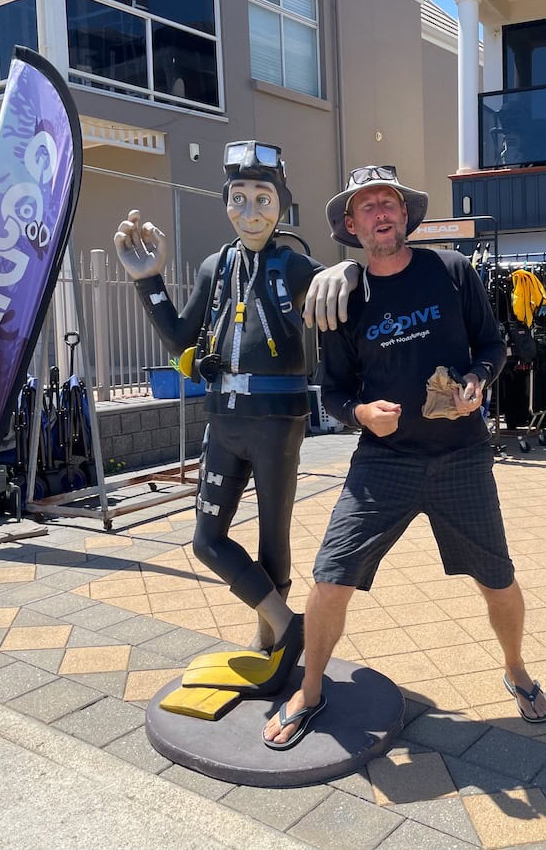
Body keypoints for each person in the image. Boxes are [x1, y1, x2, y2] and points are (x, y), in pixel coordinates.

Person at [263, 165, 546, 749]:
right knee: (329, 579)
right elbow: (336, 392)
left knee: (497, 581)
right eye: (366, 206)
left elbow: (493, 346)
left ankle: (517, 670)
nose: (380, 213)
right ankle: (311, 689)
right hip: (383, 463)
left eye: (388, 202)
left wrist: (476, 380)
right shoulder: (343, 298)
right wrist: (362, 415)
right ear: (352, 224)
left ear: (405, 215)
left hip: (462, 458)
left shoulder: (451, 271)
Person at [112, 141, 358, 702]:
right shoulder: (214, 267)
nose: (251, 213)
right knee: (206, 539)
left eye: (264, 200)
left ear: (282, 206)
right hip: (222, 418)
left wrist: (343, 269)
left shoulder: (293, 265)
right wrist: (148, 280)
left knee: (275, 536)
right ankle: (288, 625)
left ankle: (270, 639)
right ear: (225, 202)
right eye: (240, 199)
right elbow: (180, 337)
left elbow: (342, 294)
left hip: (277, 420)